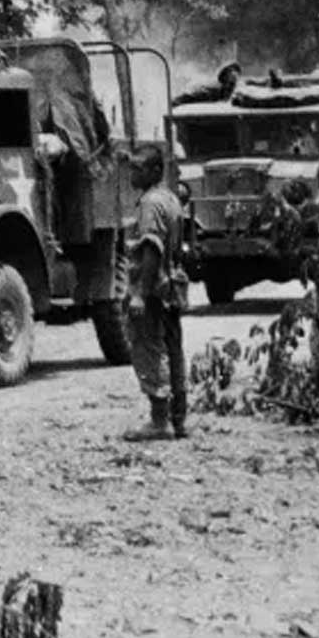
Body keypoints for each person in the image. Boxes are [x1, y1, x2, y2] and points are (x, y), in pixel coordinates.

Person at [123, 144, 189, 441]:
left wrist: (139, 293)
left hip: (153, 288)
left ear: (155, 171)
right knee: (173, 349)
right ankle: (179, 419)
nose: (132, 174)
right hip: (171, 285)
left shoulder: (150, 203)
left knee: (150, 348)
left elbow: (152, 249)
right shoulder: (170, 199)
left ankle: (160, 420)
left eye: (139, 168)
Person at [171, 60, 241, 106]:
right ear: (223, 81)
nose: (231, 88)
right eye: (230, 84)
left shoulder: (234, 93)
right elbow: (188, 96)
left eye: (233, 85)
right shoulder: (213, 92)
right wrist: (176, 101)